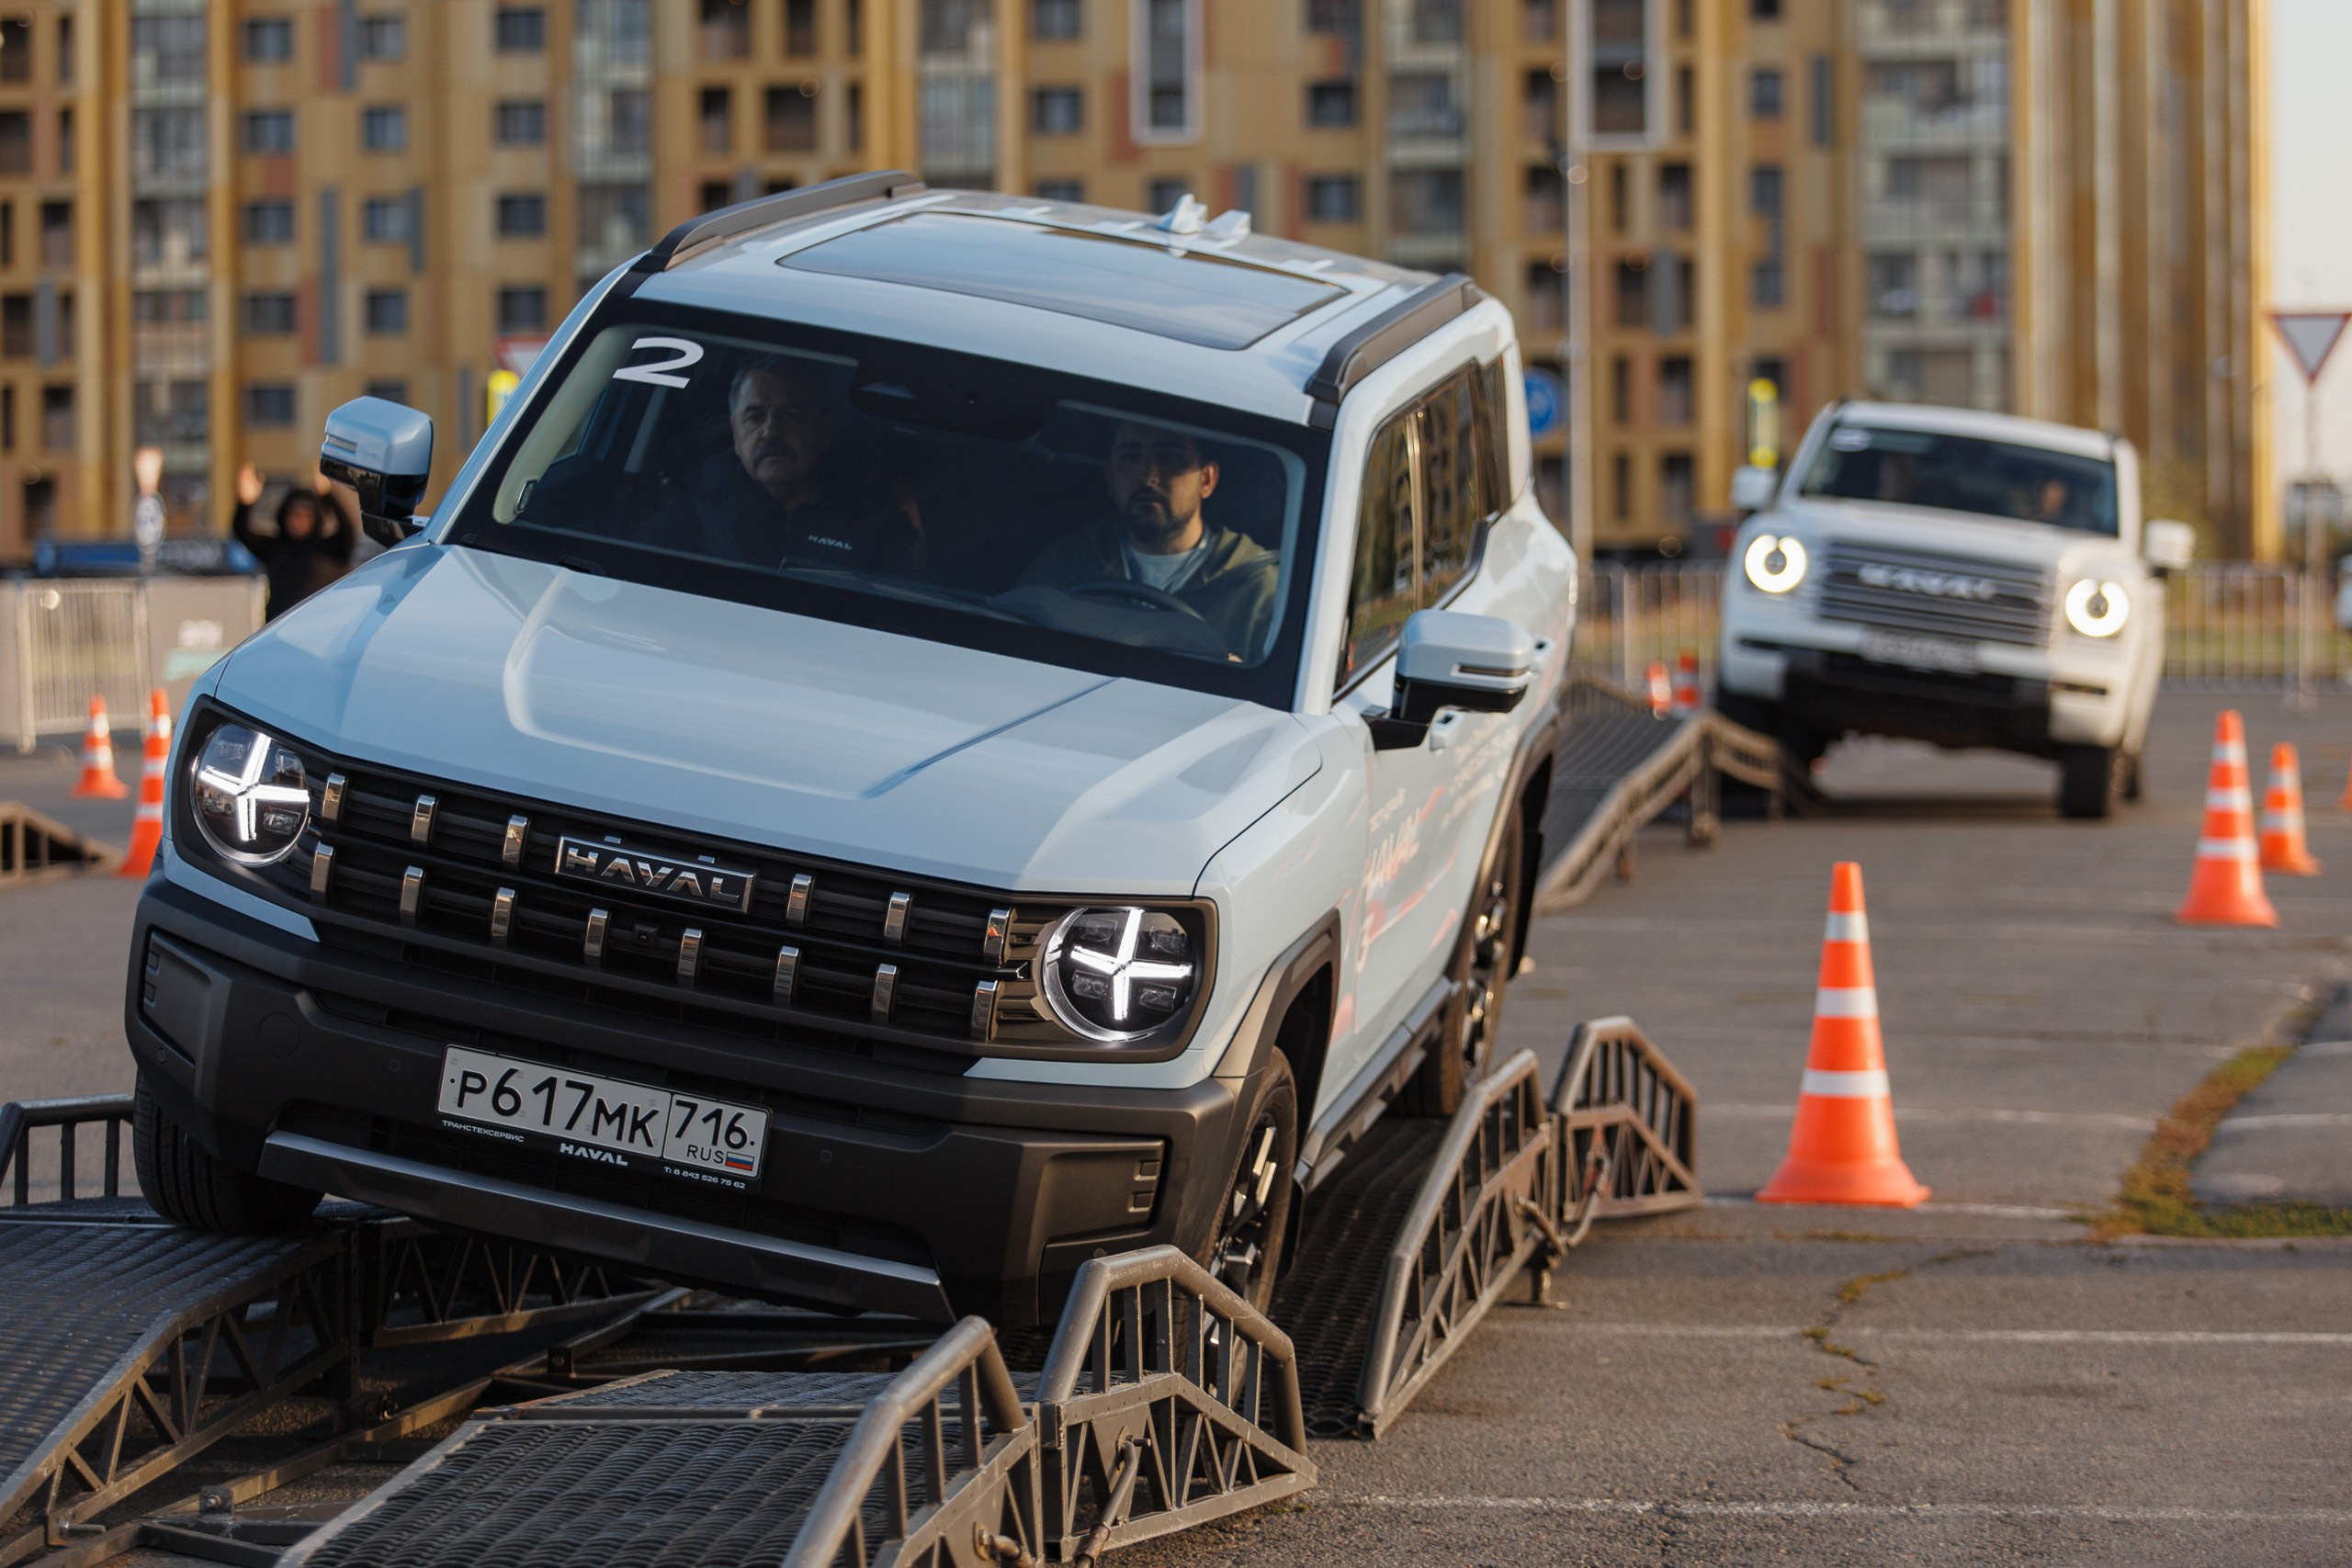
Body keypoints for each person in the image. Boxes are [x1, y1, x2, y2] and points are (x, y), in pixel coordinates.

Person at [635, 355, 921, 574]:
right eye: (755, 417)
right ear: (735, 434)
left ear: (823, 432)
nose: (771, 431)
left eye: (792, 415)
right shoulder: (687, 520)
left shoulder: (875, 525)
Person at [1020, 420, 1279, 658]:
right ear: (1110, 478)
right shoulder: (1069, 563)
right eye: (1130, 457)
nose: (1147, 476)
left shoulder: (1258, 591)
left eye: (1170, 458)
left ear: (1206, 480)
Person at [231, 464, 357, 620]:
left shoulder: (332, 548)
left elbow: (348, 529)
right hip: (280, 628)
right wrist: (245, 503)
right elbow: (242, 532)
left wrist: (328, 494)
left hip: (324, 626)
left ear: (316, 518)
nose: (298, 521)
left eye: (305, 516)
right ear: (283, 517)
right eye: (293, 515)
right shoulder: (275, 548)